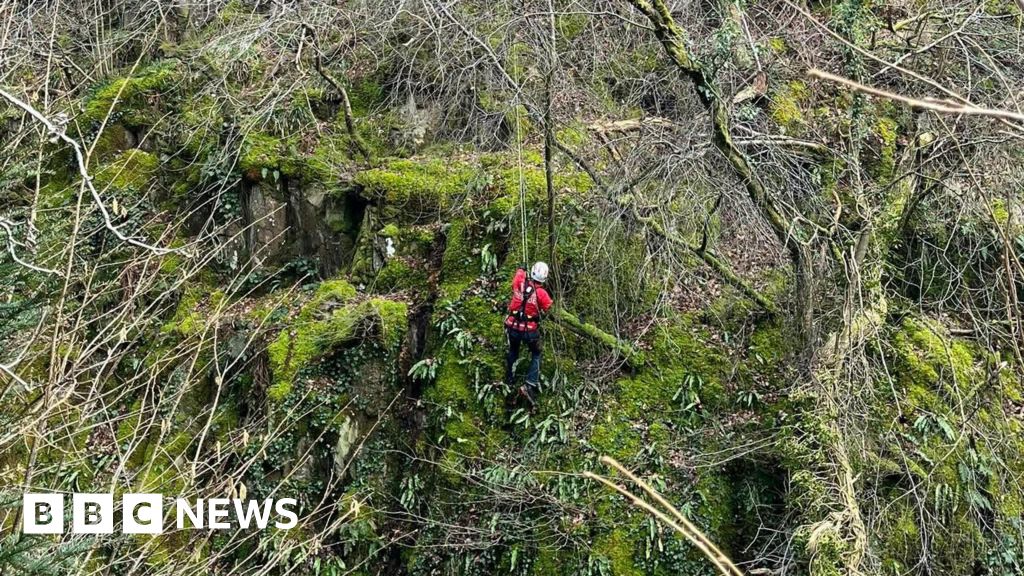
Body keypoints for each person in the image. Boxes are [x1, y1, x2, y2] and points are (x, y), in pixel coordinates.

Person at [504, 261, 552, 405]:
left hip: (512, 326)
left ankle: (510, 379)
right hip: (529, 331)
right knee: (536, 354)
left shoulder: (520, 282)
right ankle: (530, 384)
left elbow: (518, 275)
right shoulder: (542, 293)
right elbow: (548, 307)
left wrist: (521, 268)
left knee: (513, 350)